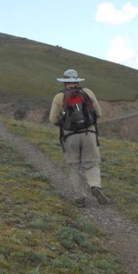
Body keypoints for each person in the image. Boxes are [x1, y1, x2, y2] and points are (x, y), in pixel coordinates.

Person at [49, 69, 109, 207]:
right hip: (89, 133)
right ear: (77, 80)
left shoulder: (59, 97)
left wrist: (64, 124)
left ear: (65, 82)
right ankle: (94, 185)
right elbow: (98, 113)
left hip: (70, 135)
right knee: (92, 163)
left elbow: (53, 119)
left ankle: (80, 198)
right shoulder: (87, 93)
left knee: (74, 166)